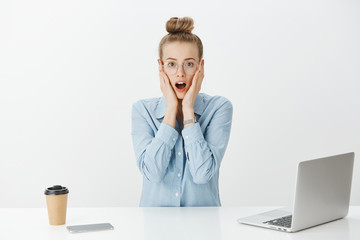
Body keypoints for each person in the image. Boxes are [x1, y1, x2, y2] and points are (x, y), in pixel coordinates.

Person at [131, 17, 233, 207]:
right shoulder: (142, 110)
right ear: (161, 67)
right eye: (171, 64)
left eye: (189, 64)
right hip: (155, 228)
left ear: (200, 67)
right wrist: (171, 109)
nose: (180, 73)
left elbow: (203, 174)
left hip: (203, 227)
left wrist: (188, 110)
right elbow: (152, 173)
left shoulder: (219, 108)